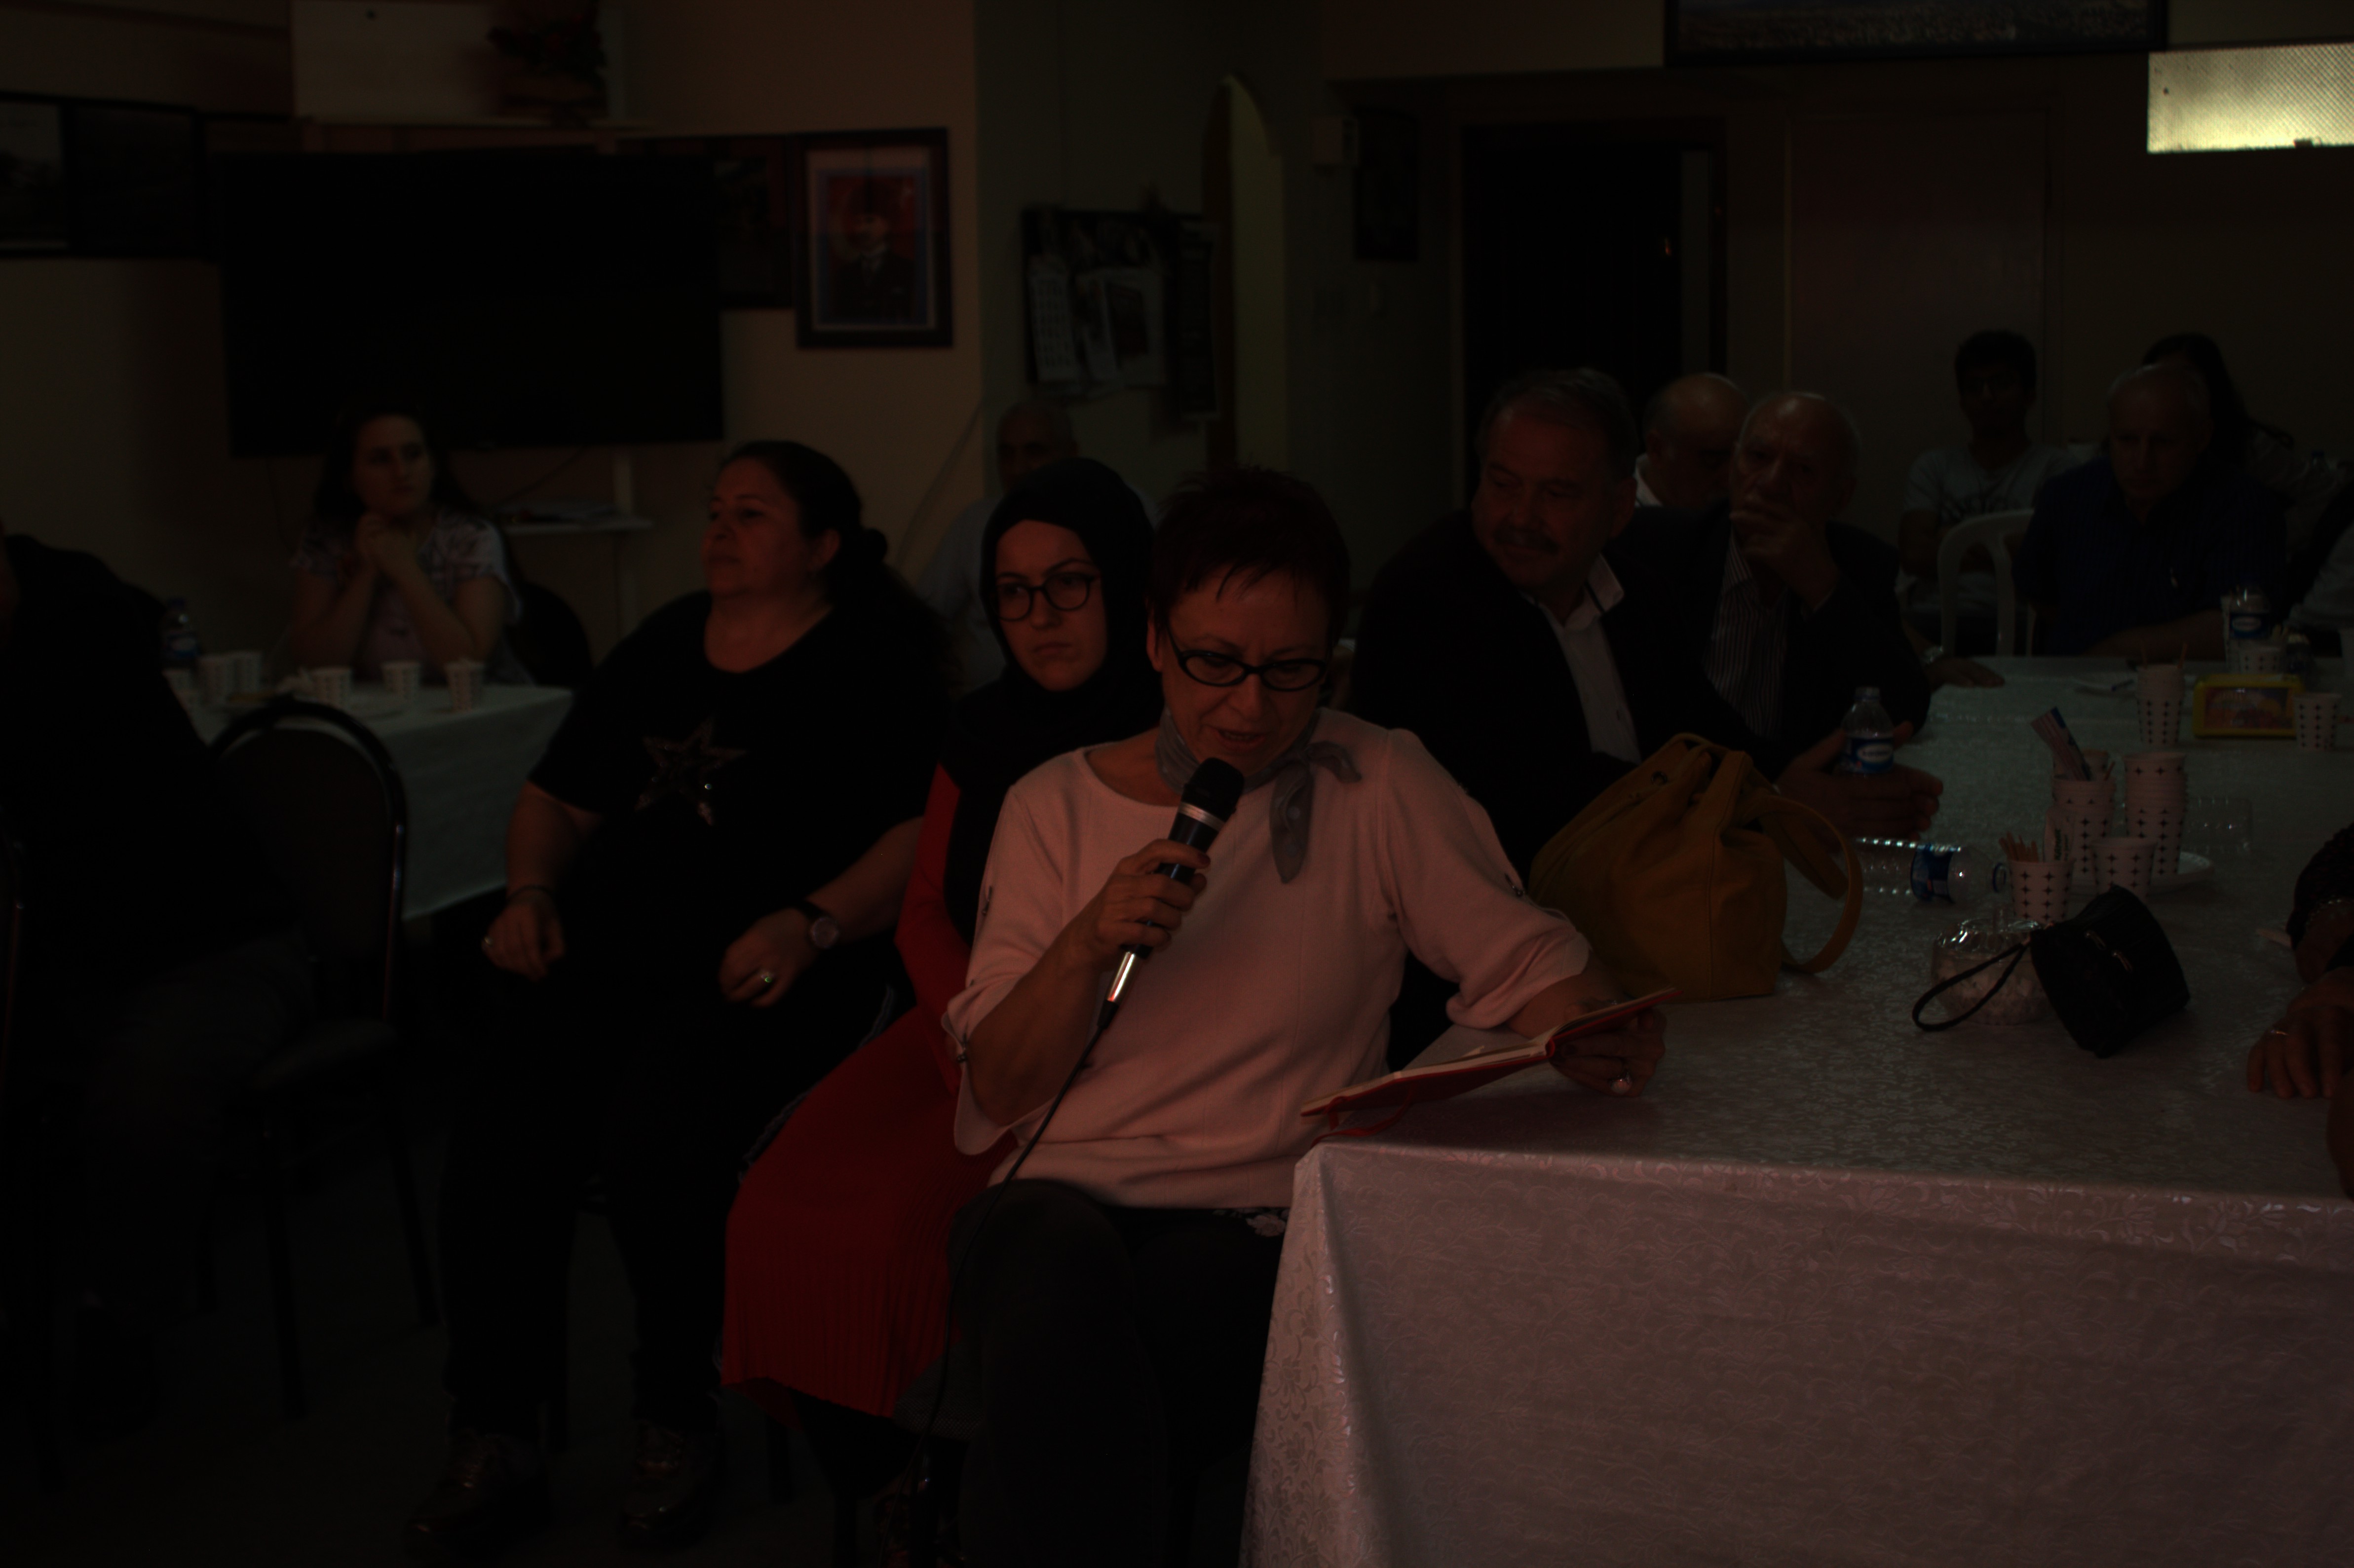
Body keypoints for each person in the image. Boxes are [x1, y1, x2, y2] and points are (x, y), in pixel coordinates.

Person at [941, 465, 1666, 1567]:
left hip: (1258, 1207)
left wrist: (1598, 1024)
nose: (1249, 706)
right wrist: (1085, 941)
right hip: (1055, 1193)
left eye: (1291, 670)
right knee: (1049, 1279)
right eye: (1215, 663)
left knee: (1125, 1345)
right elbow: (999, 1087)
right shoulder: (1050, 803)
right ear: (1155, 638)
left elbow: (1530, 961)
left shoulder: (1378, 778)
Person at [404, 443, 951, 1557]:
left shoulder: (871, 657)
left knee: (658, 1137)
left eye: (752, 514)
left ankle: (676, 1413)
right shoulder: (664, 642)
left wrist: (812, 921)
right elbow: (554, 796)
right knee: (502, 1124)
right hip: (618, 956)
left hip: (774, 963)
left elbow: (919, 830)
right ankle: (495, 1426)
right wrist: (530, 889)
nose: (719, 529)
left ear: (822, 545)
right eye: (715, 510)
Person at [718, 458, 1163, 1534]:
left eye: (1070, 583)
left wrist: (1025, 1038)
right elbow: (924, 908)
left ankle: (962, 1487)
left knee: (910, 1235)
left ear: (1126, 584)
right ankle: (893, 1484)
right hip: (958, 1030)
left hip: (1114, 1054)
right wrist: (970, 1024)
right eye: (1013, 592)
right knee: (780, 1203)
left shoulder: (1177, 732)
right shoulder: (982, 728)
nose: (1040, 616)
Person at [1356, 368, 1943, 878]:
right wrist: (1768, 799)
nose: (1521, 517)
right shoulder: (1428, 595)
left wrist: (1788, 780)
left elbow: (1703, 724)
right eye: (1503, 483)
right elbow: (1536, 789)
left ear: (1619, 509)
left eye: (1557, 493)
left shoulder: (1632, 589)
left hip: (1638, 889)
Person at [0, 520, 311, 1441]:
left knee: (144, 1095)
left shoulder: (81, 618)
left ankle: (120, 1319)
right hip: (76, 960)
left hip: (216, 943)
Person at [1618, 389, 1933, 760]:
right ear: (1733, 464)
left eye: (1803, 470)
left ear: (1842, 496)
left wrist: (1823, 589)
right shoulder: (1659, 547)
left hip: (1791, 791)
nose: (1771, 483)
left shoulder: (1858, 563)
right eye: (1758, 457)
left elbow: (1906, 709)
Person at [2013, 365, 2285, 660]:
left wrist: (2119, 651)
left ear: (2202, 437)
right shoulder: (2069, 495)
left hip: (2190, 681)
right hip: (2073, 679)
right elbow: (2036, 589)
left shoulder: (2241, 505)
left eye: (2163, 442)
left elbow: (2238, 627)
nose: (2142, 461)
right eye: (2127, 440)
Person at [917, 400, 1158, 691]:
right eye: (1013, 591)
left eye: (1068, 581)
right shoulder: (976, 523)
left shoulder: (1118, 510)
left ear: (1071, 452)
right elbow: (923, 617)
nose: (1018, 468)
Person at [289, 404, 528, 683]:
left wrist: (405, 569)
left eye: (413, 455)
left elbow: (466, 663)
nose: (401, 472)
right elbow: (315, 665)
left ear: (433, 465)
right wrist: (366, 573)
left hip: (480, 704)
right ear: (349, 476)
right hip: (374, 706)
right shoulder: (326, 538)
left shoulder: (470, 536)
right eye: (380, 459)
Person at [1896, 331, 2077, 652]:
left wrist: (1952, 539)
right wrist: (2009, 547)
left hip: (2025, 620)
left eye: (2001, 384)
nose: (1987, 397)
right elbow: (1913, 554)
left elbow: (2052, 558)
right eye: (1974, 387)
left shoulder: (2057, 468)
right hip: (1935, 616)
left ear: (2029, 394)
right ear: (1962, 400)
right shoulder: (1934, 466)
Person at [1634, 372, 1747, 510]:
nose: (1730, 479)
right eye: (1712, 461)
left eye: (1739, 459)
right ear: (1657, 450)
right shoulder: (1618, 516)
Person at [832, 189, 920, 323]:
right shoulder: (844, 275)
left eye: (870, 221)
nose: (862, 229)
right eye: (858, 222)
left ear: (888, 224)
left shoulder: (908, 270)